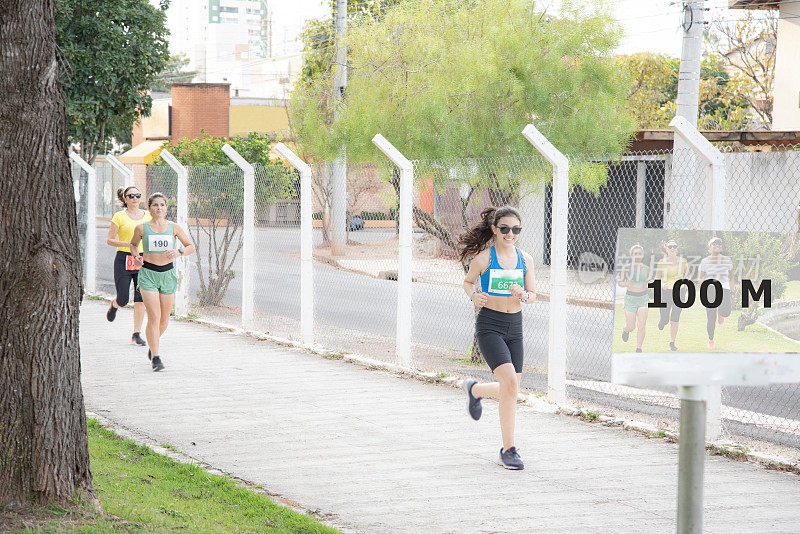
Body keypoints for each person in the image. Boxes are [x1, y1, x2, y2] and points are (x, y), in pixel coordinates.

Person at [458, 206, 536, 470]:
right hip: (490, 325)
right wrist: (474, 295)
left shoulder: (526, 259)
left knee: (512, 388)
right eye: (505, 229)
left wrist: (523, 295)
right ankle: (508, 450)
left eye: (516, 229)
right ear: (494, 229)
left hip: (515, 325)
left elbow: (533, 293)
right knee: (511, 386)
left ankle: (475, 389)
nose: (510, 234)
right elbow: (468, 282)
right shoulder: (483, 259)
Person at [129, 193, 194, 371]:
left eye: (162, 205)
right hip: (148, 273)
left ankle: (153, 343)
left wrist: (178, 252)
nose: (159, 208)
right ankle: (156, 357)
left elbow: (190, 246)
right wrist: (136, 256)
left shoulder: (174, 227)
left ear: (166, 208)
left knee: (164, 319)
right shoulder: (142, 228)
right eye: (155, 205)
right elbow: (133, 245)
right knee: (154, 317)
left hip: (167, 274)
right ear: (149, 208)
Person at [106, 185, 151, 346]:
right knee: (124, 298)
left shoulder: (147, 216)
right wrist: (129, 244)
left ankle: (136, 334)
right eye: (131, 196)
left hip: (142, 258)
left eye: (137, 195)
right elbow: (110, 240)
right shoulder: (119, 216)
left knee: (141, 298)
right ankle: (115, 304)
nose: (134, 199)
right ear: (125, 198)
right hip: (124, 258)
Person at [699, 236, 733, 350]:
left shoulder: (727, 260)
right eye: (714, 243)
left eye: (719, 243)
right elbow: (701, 278)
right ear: (710, 247)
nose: (717, 245)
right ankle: (711, 339)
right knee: (710, 317)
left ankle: (720, 311)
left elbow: (731, 278)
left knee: (727, 312)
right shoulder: (705, 261)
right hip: (710, 288)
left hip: (724, 288)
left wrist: (732, 293)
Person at [655, 240, 688, 351]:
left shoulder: (683, 262)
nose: (673, 248)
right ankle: (663, 320)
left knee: (675, 319)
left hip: (679, 292)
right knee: (665, 318)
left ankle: (672, 343)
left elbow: (687, 276)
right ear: (666, 249)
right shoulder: (661, 262)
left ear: (677, 249)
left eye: (674, 246)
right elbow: (657, 279)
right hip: (666, 292)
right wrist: (661, 285)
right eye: (670, 247)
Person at [619, 244, 652, 353]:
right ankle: (625, 330)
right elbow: (620, 282)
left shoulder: (647, 269)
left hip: (643, 298)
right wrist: (626, 283)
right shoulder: (626, 268)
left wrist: (649, 282)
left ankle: (639, 348)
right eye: (635, 254)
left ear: (642, 255)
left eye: (639, 253)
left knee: (642, 324)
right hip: (630, 299)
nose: (637, 256)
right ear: (631, 255)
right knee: (631, 326)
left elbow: (649, 281)